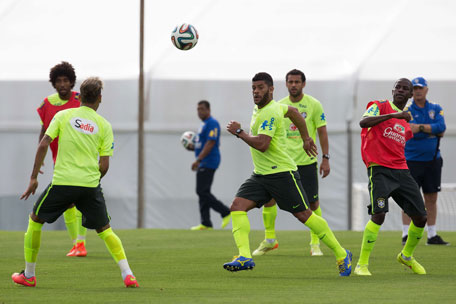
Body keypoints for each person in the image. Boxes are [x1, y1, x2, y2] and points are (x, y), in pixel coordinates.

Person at [12, 77, 139, 288]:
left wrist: (34, 177)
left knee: (35, 220)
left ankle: (29, 275)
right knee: (105, 230)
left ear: (79, 96)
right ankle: (128, 274)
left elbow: (44, 143)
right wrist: (90, 180)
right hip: (89, 186)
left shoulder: (63, 115)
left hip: (62, 183)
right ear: (100, 98)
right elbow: (104, 165)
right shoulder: (104, 125)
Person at [223, 72, 352, 276]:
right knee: (237, 206)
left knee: (304, 214)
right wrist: (306, 137)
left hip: (282, 173)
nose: (256, 92)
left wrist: (240, 133)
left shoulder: (270, 112)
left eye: (260, 88)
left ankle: (342, 253)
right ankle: (245, 256)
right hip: (261, 174)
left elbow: (263, 144)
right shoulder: (266, 108)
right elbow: (293, 112)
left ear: (271, 89)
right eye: (253, 88)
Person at [252, 69, 330, 257]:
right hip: (283, 163)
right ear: (285, 84)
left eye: (297, 82)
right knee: (268, 200)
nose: (293, 85)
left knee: (312, 202)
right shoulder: (278, 106)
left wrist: (325, 158)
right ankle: (270, 239)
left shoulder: (314, 104)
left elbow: (322, 131)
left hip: (306, 161)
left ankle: (315, 243)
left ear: (303, 84)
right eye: (290, 82)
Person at [354, 78, 427, 276]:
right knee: (378, 215)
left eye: (406, 89)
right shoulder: (379, 106)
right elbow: (363, 122)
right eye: (398, 87)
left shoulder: (405, 122)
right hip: (379, 170)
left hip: (402, 171)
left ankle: (406, 256)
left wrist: (402, 118)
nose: (401, 90)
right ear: (393, 90)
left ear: (411, 95)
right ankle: (361, 264)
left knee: (421, 217)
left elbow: (400, 143)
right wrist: (395, 114)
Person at [37, 61, 88, 256]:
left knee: (79, 198)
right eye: (58, 80)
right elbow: (44, 129)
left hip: (81, 157)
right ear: (53, 83)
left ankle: (80, 243)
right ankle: (76, 244)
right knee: (69, 202)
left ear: (72, 82)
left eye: (66, 80)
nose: (62, 84)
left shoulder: (81, 99)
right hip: (59, 158)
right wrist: (40, 155)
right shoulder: (47, 104)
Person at [401, 77, 448, 245]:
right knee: (409, 197)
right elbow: (408, 130)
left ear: (426, 89)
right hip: (412, 160)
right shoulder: (406, 110)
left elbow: (441, 128)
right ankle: (406, 233)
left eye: (420, 88)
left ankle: (432, 234)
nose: (417, 91)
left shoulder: (435, 108)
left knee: (431, 197)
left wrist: (420, 127)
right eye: (414, 88)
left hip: (432, 160)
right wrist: (430, 129)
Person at [186, 100, 231, 230]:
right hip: (203, 161)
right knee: (203, 191)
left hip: (209, 161)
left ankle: (225, 211)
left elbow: (211, 143)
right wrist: (192, 148)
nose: (199, 111)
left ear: (208, 110)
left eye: (201, 109)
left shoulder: (212, 123)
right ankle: (205, 222)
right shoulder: (203, 124)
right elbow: (201, 144)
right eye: (197, 109)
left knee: (202, 191)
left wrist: (198, 159)